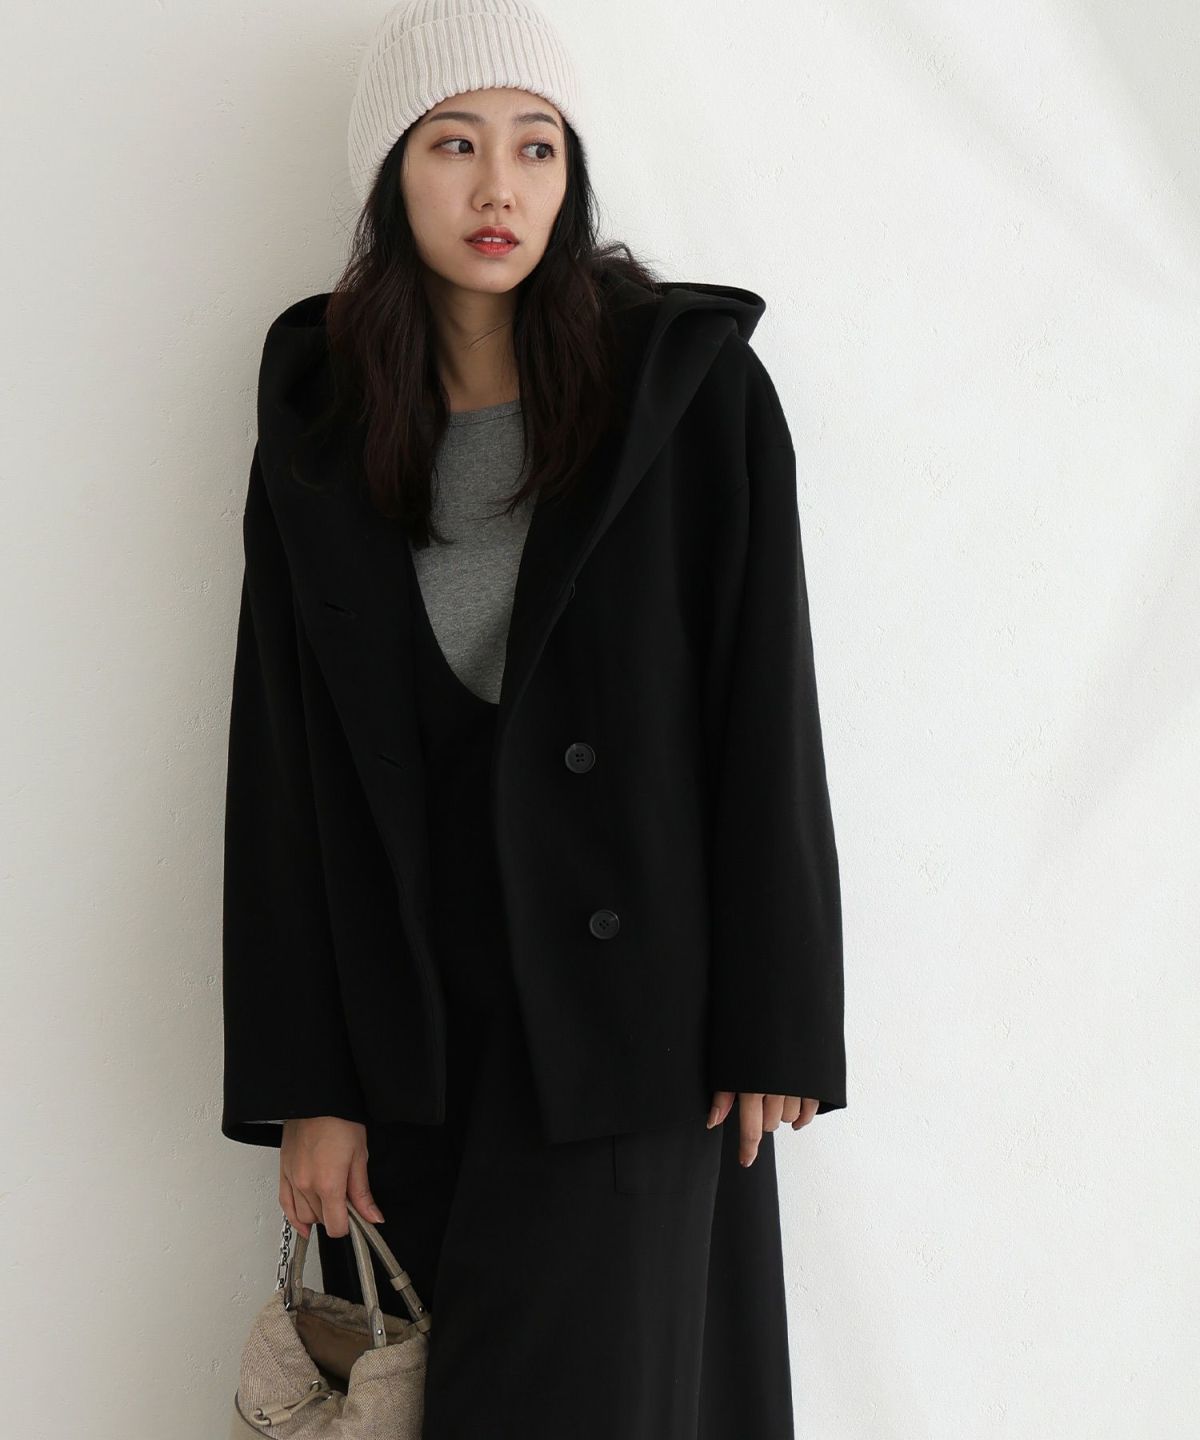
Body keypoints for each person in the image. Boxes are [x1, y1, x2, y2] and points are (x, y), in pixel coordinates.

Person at [219, 1, 846, 1434]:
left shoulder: (686, 396)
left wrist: (779, 1020)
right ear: (392, 175)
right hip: (414, 1044)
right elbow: (285, 766)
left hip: (636, 1038)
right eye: (453, 145)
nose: (498, 186)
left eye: (536, 146)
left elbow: (765, 706)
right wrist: (310, 1084)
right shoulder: (323, 427)